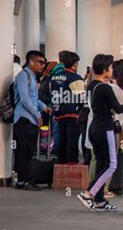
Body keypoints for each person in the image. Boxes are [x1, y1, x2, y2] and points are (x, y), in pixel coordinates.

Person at [77, 54, 123, 212]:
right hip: (105, 129)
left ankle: (99, 200)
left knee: (101, 163)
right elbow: (119, 109)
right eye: (110, 68)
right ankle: (89, 193)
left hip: (94, 128)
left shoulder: (91, 86)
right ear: (105, 69)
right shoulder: (105, 87)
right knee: (111, 164)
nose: (111, 70)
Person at [13, 50, 52, 191]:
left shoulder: (33, 77)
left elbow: (34, 98)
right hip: (24, 119)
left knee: (25, 151)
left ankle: (22, 181)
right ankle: (28, 181)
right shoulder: (24, 76)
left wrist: (44, 107)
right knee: (26, 152)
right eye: (41, 62)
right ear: (31, 62)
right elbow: (24, 99)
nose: (43, 65)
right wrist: (37, 114)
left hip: (30, 119)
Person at [50, 52, 85, 164]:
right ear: (74, 64)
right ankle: (71, 165)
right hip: (72, 114)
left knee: (61, 140)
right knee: (72, 140)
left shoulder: (54, 76)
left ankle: (61, 165)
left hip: (59, 113)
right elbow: (81, 97)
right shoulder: (75, 77)